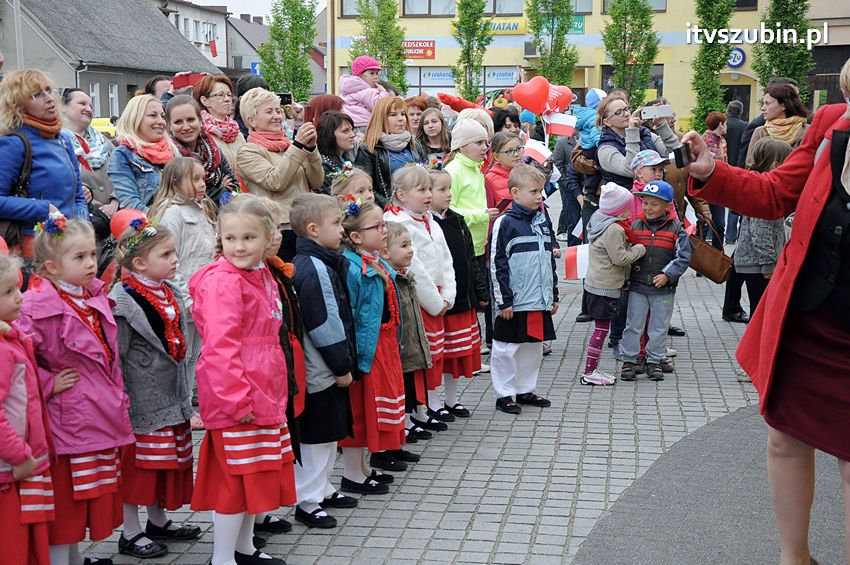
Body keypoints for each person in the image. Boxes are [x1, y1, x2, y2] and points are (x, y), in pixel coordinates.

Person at [683, 59, 850, 565]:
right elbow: (776, 193)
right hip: (809, 320)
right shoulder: (830, 127)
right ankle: (793, 557)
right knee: (784, 438)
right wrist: (712, 172)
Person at [18, 216, 134, 565]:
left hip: (96, 414)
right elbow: (16, 364)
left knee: (82, 504)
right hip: (66, 421)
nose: (90, 264)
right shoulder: (35, 308)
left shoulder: (92, 296)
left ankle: (72, 559)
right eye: (79, 257)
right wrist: (48, 382)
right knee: (65, 507)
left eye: (93, 255)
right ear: (52, 266)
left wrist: (119, 395)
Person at [188, 197, 295, 565]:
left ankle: (245, 547)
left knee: (257, 475)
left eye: (249, 237)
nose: (239, 246)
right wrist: (236, 399)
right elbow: (221, 348)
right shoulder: (224, 283)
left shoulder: (259, 273)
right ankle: (222, 558)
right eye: (230, 238)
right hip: (238, 397)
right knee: (236, 481)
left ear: (268, 239)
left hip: (263, 389)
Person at [109, 219, 199, 559]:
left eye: (174, 252)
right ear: (139, 263)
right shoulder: (124, 302)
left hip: (171, 395)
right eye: (166, 254)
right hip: (143, 401)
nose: (174, 259)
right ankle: (130, 532)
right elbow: (117, 355)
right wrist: (121, 400)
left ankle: (158, 520)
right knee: (141, 469)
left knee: (165, 464)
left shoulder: (170, 290)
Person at [285, 194, 355, 529]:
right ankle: (307, 500)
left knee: (330, 433)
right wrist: (341, 365)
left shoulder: (322, 261)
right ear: (313, 229)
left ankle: (323, 488)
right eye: (337, 224)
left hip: (326, 366)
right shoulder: (313, 268)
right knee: (316, 437)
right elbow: (324, 323)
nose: (342, 230)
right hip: (320, 369)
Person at [338, 200, 406, 493]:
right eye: (377, 227)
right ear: (355, 236)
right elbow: (350, 314)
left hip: (384, 343)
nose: (384, 231)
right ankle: (352, 473)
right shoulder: (353, 268)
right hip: (368, 348)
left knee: (374, 409)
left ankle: (363, 467)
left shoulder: (375, 260)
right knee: (361, 411)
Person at [384, 166, 456, 434]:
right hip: (419, 300)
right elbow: (415, 268)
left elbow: (445, 258)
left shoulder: (431, 221)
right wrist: (435, 301)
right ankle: (416, 410)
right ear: (401, 195)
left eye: (429, 189)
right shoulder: (399, 224)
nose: (428, 195)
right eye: (421, 190)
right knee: (417, 357)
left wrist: (448, 293)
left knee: (434, 355)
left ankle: (429, 405)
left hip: (438, 296)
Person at [149, 157, 218, 424]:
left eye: (203, 178)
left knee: (194, 352)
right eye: (196, 179)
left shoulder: (201, 208)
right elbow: (168, 255)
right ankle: (180, 406)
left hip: (203, 293)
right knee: (182, 351)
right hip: (183, 294)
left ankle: (187, 401)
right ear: (176, 182)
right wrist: (184, 296)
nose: (202, 184)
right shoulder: (172, 212)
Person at [489, 165, 558, 414]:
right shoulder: (504, 223)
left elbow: (549, 259)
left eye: (541, 191)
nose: (540, 196)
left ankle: (525, 389)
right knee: (506, 348)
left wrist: (554, 294)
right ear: (515, 193)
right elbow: (497, 264)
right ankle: (504, 394)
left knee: (533, 346)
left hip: (538, 299)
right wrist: (504, 300)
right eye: (534, 191)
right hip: (515, 301)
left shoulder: (541, 220)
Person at [0, 253, 54, 565]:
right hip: (12, 467)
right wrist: (19, 455)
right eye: (8, 292)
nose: (19, 297)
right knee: (13, 548)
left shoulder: (13, 338)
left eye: (17, 288)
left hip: (24, 461)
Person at [0, 70, 87, 260]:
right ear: (18, 105)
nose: (49, 98)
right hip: (37, 247)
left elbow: (78, 194)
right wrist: (43, 208)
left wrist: (83, 225)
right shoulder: (14, 143)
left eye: (48, 90)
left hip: (71, 242)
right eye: (36, 94)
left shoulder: (62, 138)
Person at [237, 87, 323, 261]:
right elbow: (275, 181)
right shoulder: (247, 152)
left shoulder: (289, 145)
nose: (277, 116)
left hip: (305, 222)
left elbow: (317, 181)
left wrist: (312, 149)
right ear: (251, 120)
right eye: (269, 111)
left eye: (278, 110)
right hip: (279, 227)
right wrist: (298, 147)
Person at [619, 181, 692, 382]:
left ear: (667, 206)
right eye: (645, 203)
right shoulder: (635, 225)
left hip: (664, 289)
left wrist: (667, 274)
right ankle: (631, 359)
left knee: (659, 326)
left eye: (654, 204)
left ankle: (655, 360)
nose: (648, 208)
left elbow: (683, 257)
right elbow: (626, 252)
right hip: (638, 286)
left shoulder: (677, 228)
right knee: (633, 325)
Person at [430, 169, 488, 412]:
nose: (448, 194)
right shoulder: (428, 225)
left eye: (449, 189)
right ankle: (431, 403)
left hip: (463, 298)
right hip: (440, 301)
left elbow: (470, 258)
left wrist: (479, 290)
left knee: (456, 355)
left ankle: (451, 399)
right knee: (437, 356)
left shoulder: (457, 219)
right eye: (441, 190)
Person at [580, 183, 646, 386]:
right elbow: (620, 258)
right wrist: (639, 250)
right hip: (605, 287)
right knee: (601, 331)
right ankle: (590, 371)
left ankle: (592, 369)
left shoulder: (598, 219)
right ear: (618, 208)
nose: (630, 209)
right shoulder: (614, 229)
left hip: (595, 283)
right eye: (627, 205)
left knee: (600, 329)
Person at [445, 119, 500, 352]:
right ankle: (468, 346)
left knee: (477, 296)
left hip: (479, 244)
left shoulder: (476, 169)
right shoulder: (453, 171)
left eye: (486, 142)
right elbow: (450, 210)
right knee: (465, 297)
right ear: (462, 145)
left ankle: (473, 343)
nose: (484, 148)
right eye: (478, 142)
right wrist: (482, 215)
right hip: (462, 244)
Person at [380, 222, 433, 442]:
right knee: (401, 385)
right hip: (397, 346)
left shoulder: (405, 276)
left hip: (408, 344)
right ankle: (403, 423)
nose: (410, 250)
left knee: (409, 383)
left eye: (410, 244)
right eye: (403, 245)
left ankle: (409, 420)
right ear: (385, 252)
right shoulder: (388, 279)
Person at [729, 137, 791, 319]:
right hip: (758, 265)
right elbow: (760, 233)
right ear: (776, 165)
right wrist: (769, 264)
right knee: (761, 313)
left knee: (761, 311)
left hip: (756, 263)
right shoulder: (764, 192)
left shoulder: (761, 185)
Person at [166, 95, 238, 206]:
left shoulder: (213, 150)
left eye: (190, 120)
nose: (186, 127)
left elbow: (234, 184)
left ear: (200, 120)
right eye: (178, 122)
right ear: (169, 125)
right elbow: (187, 198)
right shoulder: (169, 156)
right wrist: (221, 191)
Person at [354, 96, 428, 205]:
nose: (401, 119)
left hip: (419, 208)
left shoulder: (415, 144)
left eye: (403, 114)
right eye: (393, 115)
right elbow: (364, 188)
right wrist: (390, 207)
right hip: (389, 213)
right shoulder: (369, 149)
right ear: (381, 118)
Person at [110, 94, 178, 212]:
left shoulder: (173, 150)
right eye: (153, 115)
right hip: (150, 226)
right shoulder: (123, 154)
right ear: (135, 118)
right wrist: (163, 223)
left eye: (162, 116)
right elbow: (130, 203)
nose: (161, 121)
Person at [61, 88, 118, 221]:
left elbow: (122, 173)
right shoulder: (56, 142)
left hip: (116, 217)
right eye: (82, 104)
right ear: (63, 107)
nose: (89, 109)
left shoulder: (104, 142)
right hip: (81, 219)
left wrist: (115, 201)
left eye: (91, 106)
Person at [744, 82, 810, 169]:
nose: (762, 108)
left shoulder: (805, 131)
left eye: (767, 103)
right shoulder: (761, 132)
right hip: (765, 181)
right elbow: (750, 165)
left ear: (784, 105)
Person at [193, 74, 246, 178]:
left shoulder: (236, 132)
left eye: (229, 95)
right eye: (220, 95)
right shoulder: (200, 133)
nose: (227, 99)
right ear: (205, 100)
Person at [702, 111, 729, 250]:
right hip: (707, 187)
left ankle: (717, 259)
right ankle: (700, 261)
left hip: (720, 187)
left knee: (719, 224)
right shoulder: (706, 140)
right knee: (705, 224)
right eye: (725, 123)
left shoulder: (722, 141)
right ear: (720, 124)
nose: (726, 126)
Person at [340, 56, 390, 130]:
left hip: (349, 124)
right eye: (372, 73)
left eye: (377, 73)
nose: (376, 77)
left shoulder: (349, 89)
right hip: (365, 125)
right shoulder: (367, 91)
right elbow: (380, 106)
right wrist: (383, 92)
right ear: (361, 75)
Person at [724, 100, 748, 244]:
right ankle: (734, 236)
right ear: (741, 111)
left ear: (728, 110)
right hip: (739, 168)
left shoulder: (722, 125)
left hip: (723, 168)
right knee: (736, 204)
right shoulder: (745, 126)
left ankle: (728, 237)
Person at [553, 132, 583, 245]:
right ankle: (573, 250)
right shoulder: (562, 142)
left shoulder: (588, 138)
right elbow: (557, 165)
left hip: (586, 188)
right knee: (573, 220)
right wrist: (566, 183)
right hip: (569, 189)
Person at [317, 111, 357, 194]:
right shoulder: (323, 166)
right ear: (329, 135)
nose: (352, 135)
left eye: (352, 130)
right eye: (345, 131)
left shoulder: (345, 158)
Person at [485, 132, 523, 213]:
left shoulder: (528, 171)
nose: (516, 154)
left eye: (518, 149)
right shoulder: (490, 179)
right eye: (509, 151)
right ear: (496, 156)